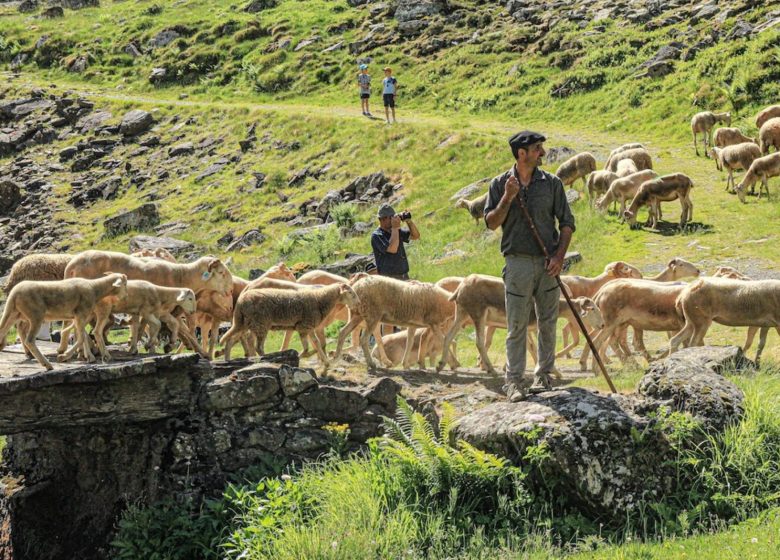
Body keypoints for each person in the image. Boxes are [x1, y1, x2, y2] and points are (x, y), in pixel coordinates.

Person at [484, 131, 576, 402]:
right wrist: (508, 197)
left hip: (549, 262)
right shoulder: (500, 184)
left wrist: (560, 256)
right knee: (517, 324)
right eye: (537, 149)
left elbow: (567, 223)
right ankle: (513, 381)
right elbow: (490, 222)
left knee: (548, 321)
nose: (542, 153)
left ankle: (544, 376)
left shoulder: (552, 184)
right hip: (517, 263)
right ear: (521, 153)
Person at [371, 203, 419, 281]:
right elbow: (392, 249)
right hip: (389, 279)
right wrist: (395, 228)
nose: (394, 219)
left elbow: (415, 236)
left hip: (404, 275)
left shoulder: (395, 230)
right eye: (391, 217)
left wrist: (409, 221)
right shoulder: (377, 235)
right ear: (382, 219)